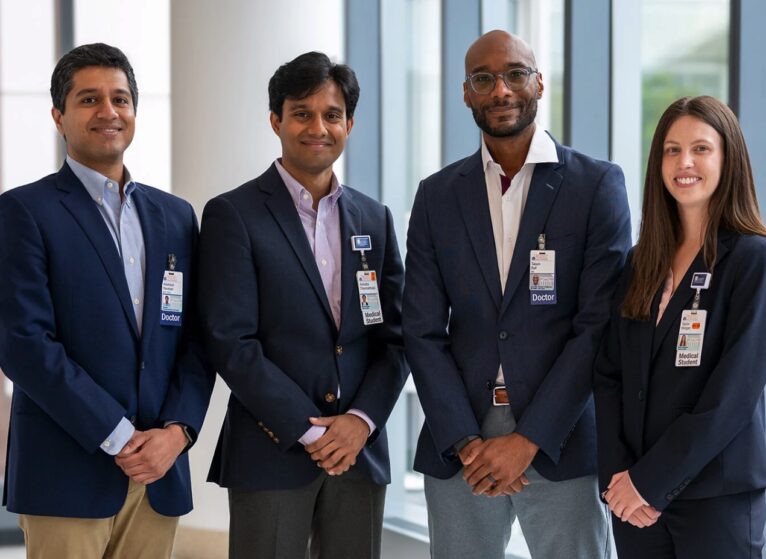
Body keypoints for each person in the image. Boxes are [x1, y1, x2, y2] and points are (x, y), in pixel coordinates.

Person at [403, 30, 631, 558]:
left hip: (562, 434)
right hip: (462, 437)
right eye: (483, 79)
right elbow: (421, 328)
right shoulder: (437, 195)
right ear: (466, 93)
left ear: (538, 83)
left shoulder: (596, 185)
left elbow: (598, 325)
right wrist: (465, 441)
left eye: (514, 74)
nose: (500, 89)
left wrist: (528, 440)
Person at [0, 43, 214, 559]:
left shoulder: (176, 217)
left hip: (159, 471)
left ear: (134, 112)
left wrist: (177, 433)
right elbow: (24, 343)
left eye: (120, 99)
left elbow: (199, 338)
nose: (108, 112)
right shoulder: (23, 211)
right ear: (59, 116)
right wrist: (118, 436)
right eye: (89, 99)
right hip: (66, 468)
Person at [197, 51, 408, 559]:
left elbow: (397, 337)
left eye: (332, 114)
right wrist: (307, 430)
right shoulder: (234, 214)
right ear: (276, 121)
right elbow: (231, 341)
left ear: (349, 124)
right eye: (302, 113)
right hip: (272, 449)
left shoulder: (373, 219)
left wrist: (361, 419)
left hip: (359, 453)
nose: (318, 127)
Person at [594, 95, 766, 558]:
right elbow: (610, 375)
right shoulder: (639, 264)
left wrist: (651, 482)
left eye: (701, 149)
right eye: (671, 149)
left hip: (716, 499)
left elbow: (731, 397)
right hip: (633, 502)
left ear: (728, 158)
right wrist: (618, 481)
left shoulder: (753, 260)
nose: (684, 162)